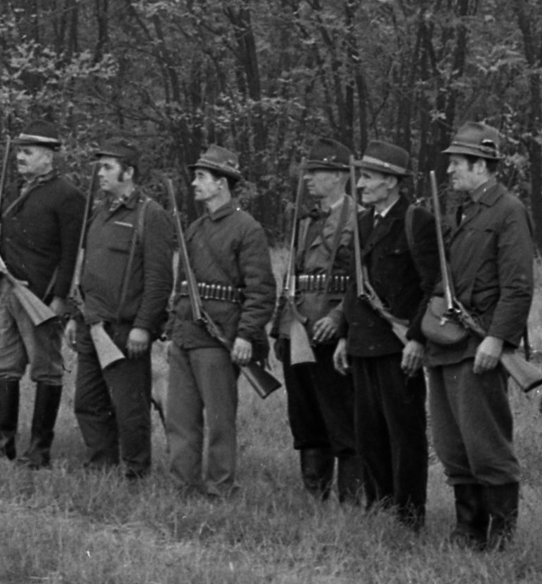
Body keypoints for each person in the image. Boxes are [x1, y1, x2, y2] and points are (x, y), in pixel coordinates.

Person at [429, 121, 533, 548]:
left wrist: (498, 338)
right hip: (447, 344)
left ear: (481, 166)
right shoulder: (462, 211)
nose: (450, 171)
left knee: (486, 444)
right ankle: (468, 531)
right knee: (452, 444)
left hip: (480, 345)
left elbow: (519, 285)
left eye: (457, 163)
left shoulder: (508, 211)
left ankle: (501, 538)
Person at [330, 141, 439, 529]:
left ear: (391, 182)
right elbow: (354, 286)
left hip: (398, 346)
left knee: (404, 434)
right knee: (369, 434)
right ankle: (379, 508)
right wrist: (344, 335)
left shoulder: (417, 221)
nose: (360, 185)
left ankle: (408, 518)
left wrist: (417, 338)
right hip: (363, 343)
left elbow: (432, 287)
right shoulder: (363, 223)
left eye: (369, 177)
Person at [165, 145, 276, 498]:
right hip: (186, 334)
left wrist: (245, 335)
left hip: (219, 338)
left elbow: (261, 291)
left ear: (221, 184)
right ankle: (183, 486)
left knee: (219, 421)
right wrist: (172, 329)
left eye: (201, 177)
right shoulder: (194, 228)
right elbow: (181, 286)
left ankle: (220, 488)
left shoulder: (247, 229)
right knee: (180, 419)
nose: (194, 183)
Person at [69, 140, 174, 479]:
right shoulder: (100, 211)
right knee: (88, 402)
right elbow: (86, 271)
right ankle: (101, 466)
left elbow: (159, 279)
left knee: (130, 406)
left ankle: (135, 472)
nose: (100, 173)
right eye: (100, 167)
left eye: (107, 167)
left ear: (128, 173)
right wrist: (75, 317)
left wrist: (143, 326)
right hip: (91, 324)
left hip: (126, 329)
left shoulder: (150, 214)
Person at [0, 119, 86, 468]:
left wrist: (59, 299)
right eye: (20, 152)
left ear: (48, 157)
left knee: (46, 369)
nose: (20, 158)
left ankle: (39, 451)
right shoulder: (16, 190)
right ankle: (1, 445)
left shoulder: (68, 196)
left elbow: (71, 255)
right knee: (2, 365)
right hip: (6, 290)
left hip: (40, 297)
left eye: (28, 152)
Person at [278, 139, 361, 503]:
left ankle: (351, 501)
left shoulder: (358, 219)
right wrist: (282, 328)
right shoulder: (305, 220)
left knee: (341, 417)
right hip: (297, 326)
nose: (308, 178)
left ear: (340, 175)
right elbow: (292, 276)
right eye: (308, 171)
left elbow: (361, 280)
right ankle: (315, 497)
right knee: (306, 417)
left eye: (317, 171)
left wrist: (339, 319)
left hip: (331, 329)